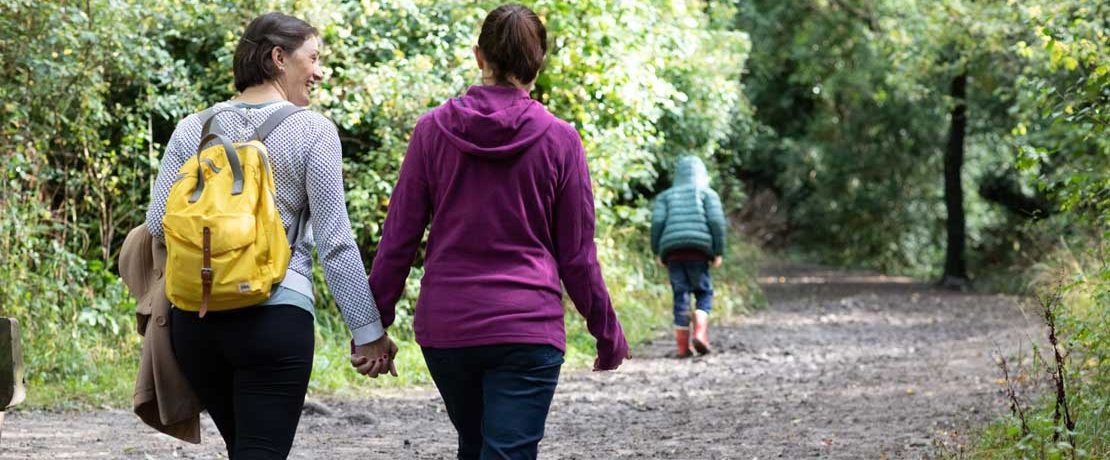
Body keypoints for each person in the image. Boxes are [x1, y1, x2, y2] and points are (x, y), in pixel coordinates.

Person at [367, 4, 629, 459]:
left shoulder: (432, 132)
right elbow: (578, 256)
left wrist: (371, 326)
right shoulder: (560, 140)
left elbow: (398, 240)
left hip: (449, 330)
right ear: (537, 63)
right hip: (528, 328)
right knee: (506, 451)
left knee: (477, 444)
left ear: (478, 57)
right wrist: (606, 332)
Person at [145, 12, 396, 459]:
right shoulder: (313, 130)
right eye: (313, 58)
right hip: (274, 318)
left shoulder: (193, 128)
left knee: (246, 448)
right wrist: (368, 331)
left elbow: (157, 224)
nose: (319, 71)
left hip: (197, 321)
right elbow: (335, 244)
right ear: (279, 58)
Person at [650, 155, 727, 358]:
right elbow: (717, 223)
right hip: (699, 250)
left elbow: (657, 223)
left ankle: (683, 348)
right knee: (703, 292)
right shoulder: (708, 194)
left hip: (673, 251)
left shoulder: (666, 196)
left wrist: (657, 250)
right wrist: (718, 251)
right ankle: (700, 332)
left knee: (680, 294)